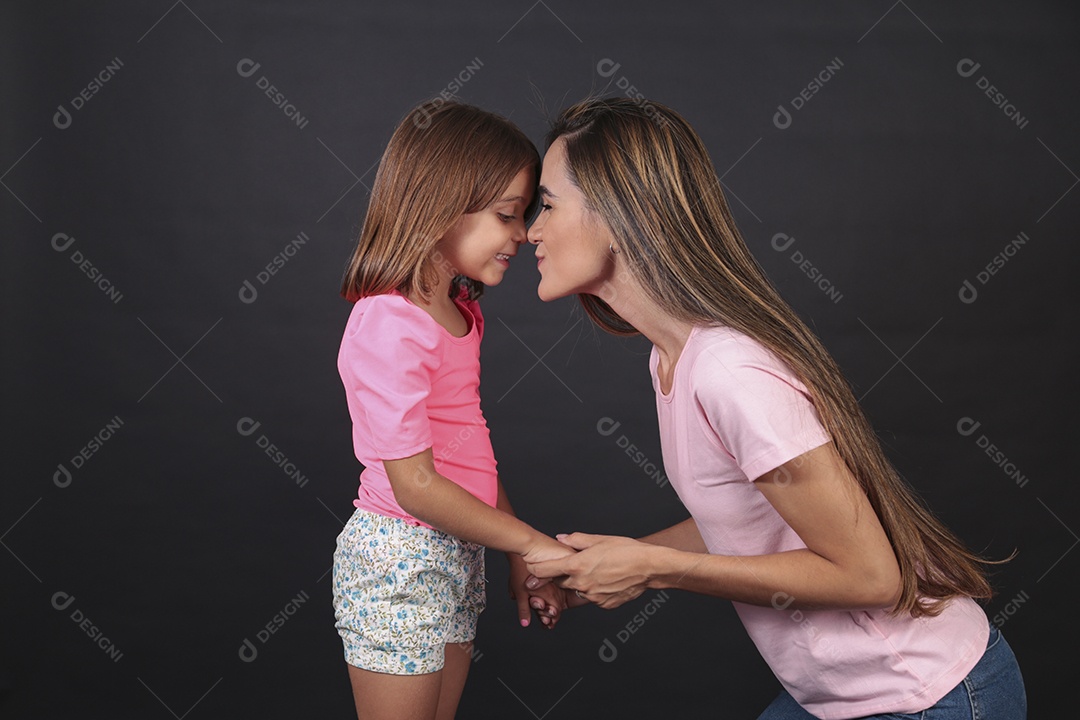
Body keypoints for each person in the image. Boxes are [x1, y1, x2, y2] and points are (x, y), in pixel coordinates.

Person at [524, 98, 1026, 719]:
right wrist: (608, 566)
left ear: (616, 214)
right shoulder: (671, 359)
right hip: (839, 698)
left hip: (930, 695)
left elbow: (873, 577)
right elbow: (740, 520)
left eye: (546, 205)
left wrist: (655, 570)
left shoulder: (729, 371)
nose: (529, 231)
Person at [333, 99, 575, 720]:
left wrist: (519, 554)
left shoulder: (461, 316)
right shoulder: (387, 320)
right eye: (506, 215)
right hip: (397, 560)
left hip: (456, 553)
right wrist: (530, 541)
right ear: (441, 205)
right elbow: (414, 486)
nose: (522, 234)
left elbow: (468, 450)